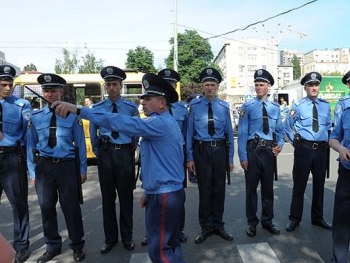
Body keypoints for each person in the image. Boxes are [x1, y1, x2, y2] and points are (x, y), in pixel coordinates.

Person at [52, 72, 186, 263]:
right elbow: (160, 163)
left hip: (164, 195)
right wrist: (148, 190)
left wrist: (79, 109)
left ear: (162, 102)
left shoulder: (160, 123)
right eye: (142, 99)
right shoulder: (161, 123)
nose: (143, 103)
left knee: (161, 251)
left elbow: (120, 121)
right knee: (171, 246)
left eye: (148, 99)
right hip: (164, 191)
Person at [26, 73, 87, 263]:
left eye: (53, 90)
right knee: (46, 209)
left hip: (67, 167)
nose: (50, 94)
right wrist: (32, 171)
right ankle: (52, 246)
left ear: (61, 91)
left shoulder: (72, 116)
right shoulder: (35, 117)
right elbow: (30, 145)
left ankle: (77, 246)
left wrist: (83, 170)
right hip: (44, 168)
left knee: (71, 208)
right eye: (46, 91)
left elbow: (81, 146)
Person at [89, 66, 138, 253]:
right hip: (106, 155)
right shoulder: (98, 109)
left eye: (114, 84)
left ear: (121, 86)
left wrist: (127, 151)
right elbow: (94, 135)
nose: (111, 87)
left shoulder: (131, 109)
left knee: (126, 198)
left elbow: (134, 135)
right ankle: (110, 238)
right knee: (108, 199)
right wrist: (100, 153)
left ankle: (127, 237)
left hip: (124, 155)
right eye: (108, 84)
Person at [186, 67, 234, 244]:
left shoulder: (223, 107)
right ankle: (206, 227)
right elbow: (189, 134)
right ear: (202, 86)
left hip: (220, 151)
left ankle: (218, 225)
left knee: (219, 190)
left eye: (212, 84)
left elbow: (230, 134)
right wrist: (190, 158)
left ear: (217, 86)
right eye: (206, 84)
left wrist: (230, 159)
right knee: (204, 190)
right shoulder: (195, 107)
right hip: (201, 151)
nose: (209, 88)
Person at [238, 69, 285, 237]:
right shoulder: (247, 106)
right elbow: (242, 133)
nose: (258, 87)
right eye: (256, 85)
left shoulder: (275, 108)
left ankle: (267, 220)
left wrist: (280, 145)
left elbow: (280, 130)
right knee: (251, 189)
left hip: (269, 152)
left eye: (261, 85)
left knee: (268, 189)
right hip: (253, 150)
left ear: (269, 86)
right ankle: (252, 223)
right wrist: (243, 156)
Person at [285, 72, 332, 232]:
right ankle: (294, 218)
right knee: (299, 185)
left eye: (316, 85)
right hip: (304, 149)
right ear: (305, 87)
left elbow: (328, 126)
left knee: (319, 185)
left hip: (320, 150)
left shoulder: (326, 106)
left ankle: (317, 218)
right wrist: (295, 143)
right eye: (310, 85)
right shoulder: (298, 106)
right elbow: (287, 126)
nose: (314, 87)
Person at [0, 65, 31, 263]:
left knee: (19, 204)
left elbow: (27, 137)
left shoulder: (22, 105)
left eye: (10, 84)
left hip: (12, 158)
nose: (7, 88)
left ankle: (21, 246)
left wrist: (30, 166)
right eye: (3, 84)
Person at [329, 108, 350, 262]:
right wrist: (341, 148)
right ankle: (339, 259)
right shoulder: (346, 113)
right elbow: (333, 138)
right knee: (342, 221)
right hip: (346, 172)